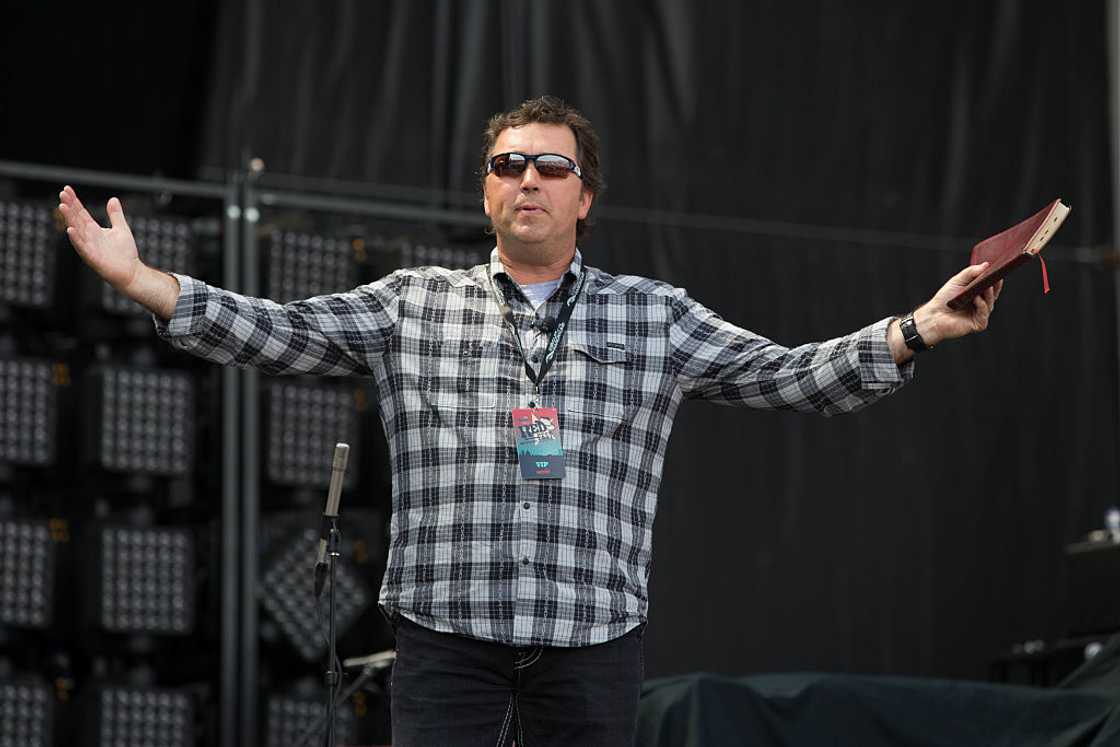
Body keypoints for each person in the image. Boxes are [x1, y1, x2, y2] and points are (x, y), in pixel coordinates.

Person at [59, 95, 1001, 747]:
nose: (528, 180)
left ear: (585, 197)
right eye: (507, 165)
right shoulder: (412, 302)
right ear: (486, 192)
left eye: (552, 166)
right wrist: (147, 283)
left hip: (591, 639)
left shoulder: (654, 313)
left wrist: (914, 330)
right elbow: (282, 331)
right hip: (444, 636)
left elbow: (788, 376)